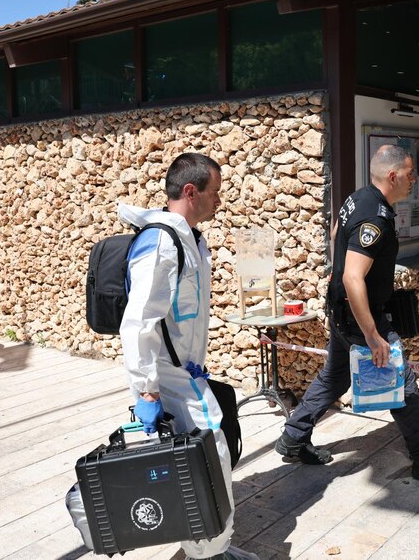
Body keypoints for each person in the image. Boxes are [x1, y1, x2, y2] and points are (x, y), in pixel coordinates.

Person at [274, 144, 419, 486]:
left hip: (342, 310)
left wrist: (340, 272)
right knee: (403, 387)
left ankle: (293, 436)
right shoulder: (375, 217)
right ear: (393, 176)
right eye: (410, 174)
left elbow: (336, 234)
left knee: (335, 377)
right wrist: (372, 334)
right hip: (361, 317)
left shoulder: (359, 198)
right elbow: (354, 277)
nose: (414, 180)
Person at [119, 153, 256, 560]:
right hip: (168, 378)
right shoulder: (161, 244)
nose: (220, 201)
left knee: (200, 464)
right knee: (206, 461)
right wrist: (147, 392)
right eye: (215, 192)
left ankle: (210, 549)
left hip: (187, 375)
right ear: (191, 192)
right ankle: (210, 553)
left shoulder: (190, 239)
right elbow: (139, 322)